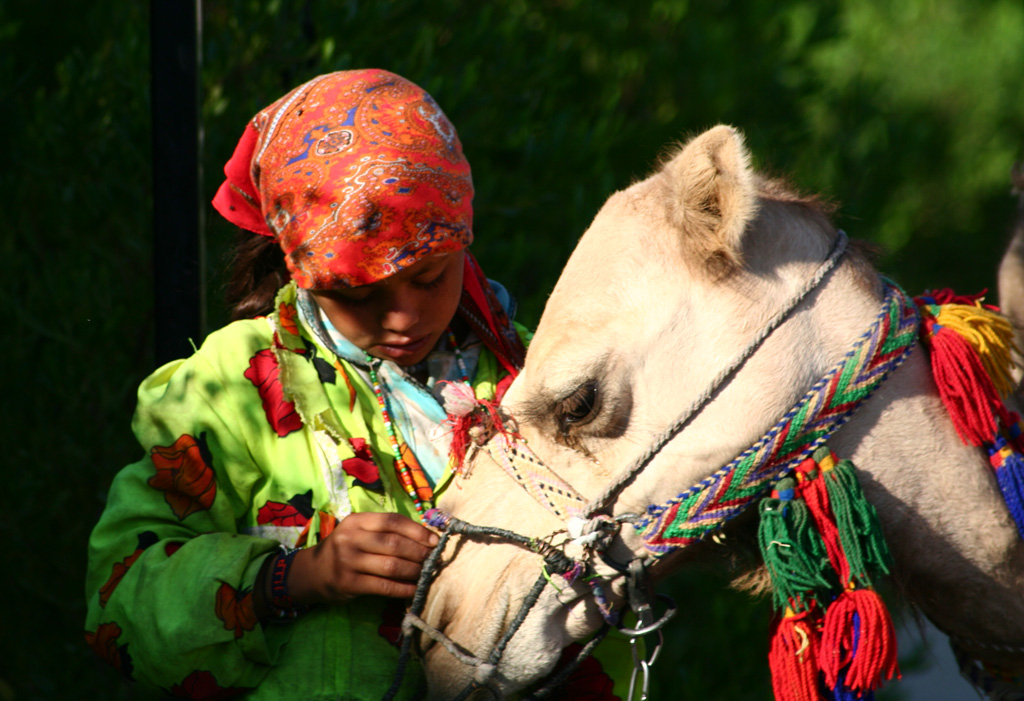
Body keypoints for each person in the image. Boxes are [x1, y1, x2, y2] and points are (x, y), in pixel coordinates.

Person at [85, 69, 631, 699]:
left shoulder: (545, 386)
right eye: (360, 294)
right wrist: (294, 578)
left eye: (430, 278)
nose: (404, 319)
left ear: (463, 241)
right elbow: (117, 602)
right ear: (305, 270)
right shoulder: (228, 391)